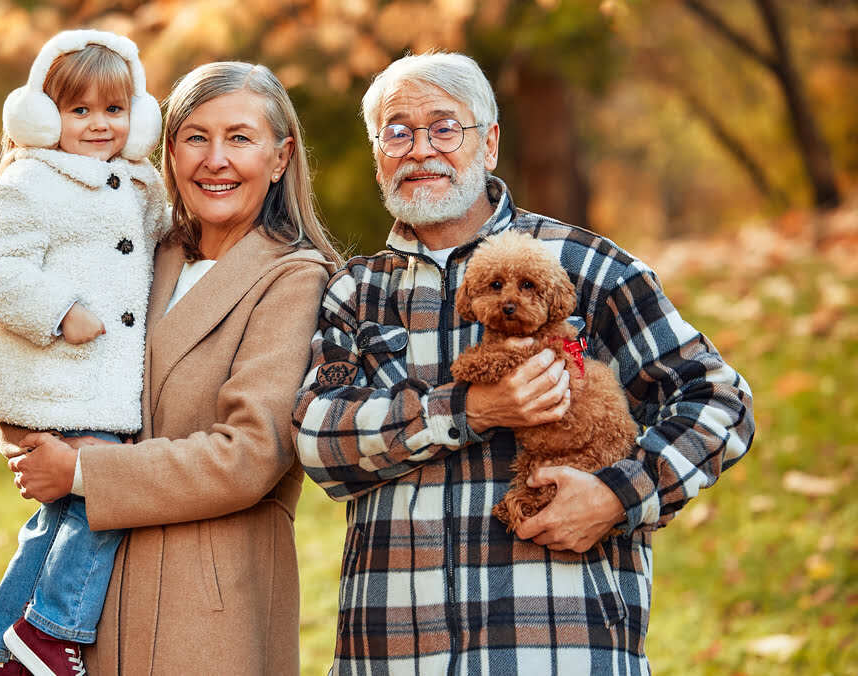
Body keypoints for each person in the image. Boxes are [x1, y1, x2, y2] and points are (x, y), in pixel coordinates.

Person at [293, 51, 755, 674]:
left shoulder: (586, 265)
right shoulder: (356, 291)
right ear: (379, 155)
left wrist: (619, 495)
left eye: (444, 128)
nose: (420, 150)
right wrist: (469, 409)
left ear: (489, 144)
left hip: (560, 641)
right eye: (397, 133)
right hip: (394, 649)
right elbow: (317, 439)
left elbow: (720, 400)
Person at [1, 61, 343, 674]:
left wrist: (79, 470)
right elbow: (42, 354)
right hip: (89, 605)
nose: (216, 160)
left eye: (240, 138)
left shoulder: (294, 278)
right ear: (169, 151)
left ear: (281, 157)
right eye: (196, 137)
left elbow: (249, 455)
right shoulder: (140, 257)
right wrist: (26, 438)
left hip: (209, 611)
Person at [0, 29, 167, 676]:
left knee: (55, 523)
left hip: (93, 383)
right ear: (44, 117)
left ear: (138, 117)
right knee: (105, 495)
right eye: (80, 110)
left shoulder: (141, 184)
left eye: (114, 109)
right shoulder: (30, 181)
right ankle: (53, 630)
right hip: (53, 378)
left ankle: (3, 654)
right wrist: (59, 311)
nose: (99, 124)